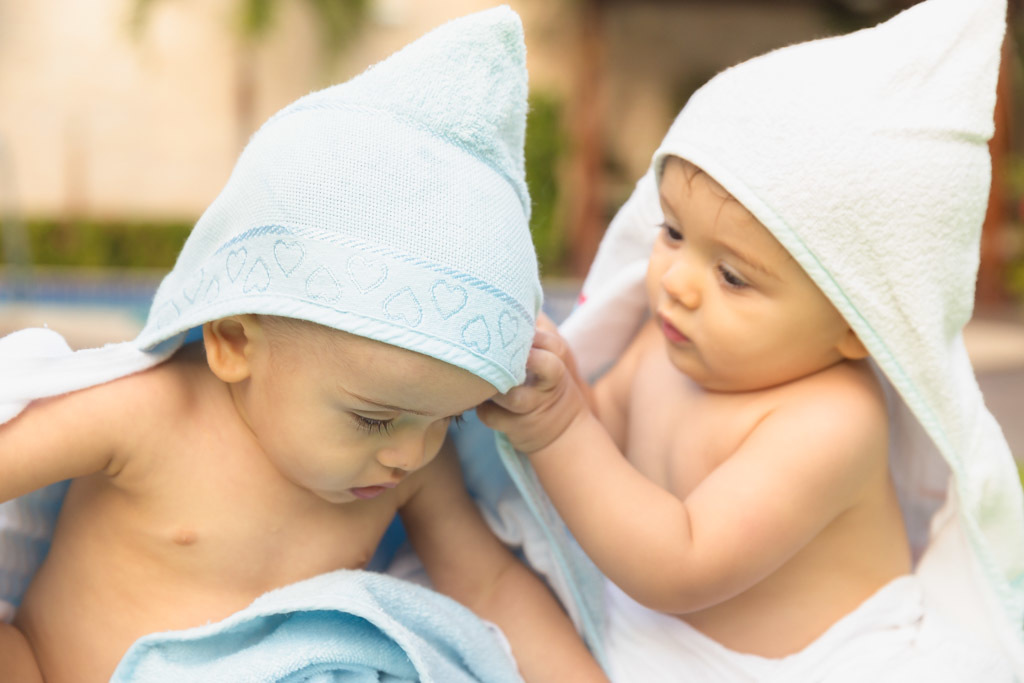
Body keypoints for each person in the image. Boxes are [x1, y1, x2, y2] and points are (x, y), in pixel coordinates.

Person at [0, 8, 607, 683]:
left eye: (450, 419)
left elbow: (488, 586)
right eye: (372, 417)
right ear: (235, 340)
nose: (410, 453)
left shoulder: (408, 466)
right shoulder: (150, 415)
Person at [479, 0, 1021, 679]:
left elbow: (681, 560)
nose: (677, 281)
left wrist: (558, 428)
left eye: (732, 275)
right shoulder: (665, 341)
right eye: (673, 232)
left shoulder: (832, 421)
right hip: (653, 629)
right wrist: (555, 387)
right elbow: (598, 435)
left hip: (821, 665)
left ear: (859, 323)